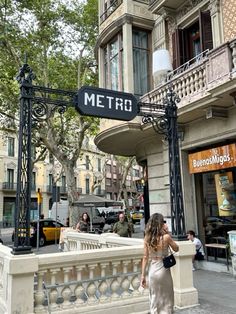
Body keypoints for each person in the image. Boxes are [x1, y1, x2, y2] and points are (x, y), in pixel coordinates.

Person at [141, 213, 179, 314]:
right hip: (163, 270)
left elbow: (145, 257)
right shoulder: (166, 237)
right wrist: (168, 234)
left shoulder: (147, 238)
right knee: (167, 295)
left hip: (152, 271)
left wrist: (142, 276)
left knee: (154, 296)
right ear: (160, 224)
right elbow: (176, 248)